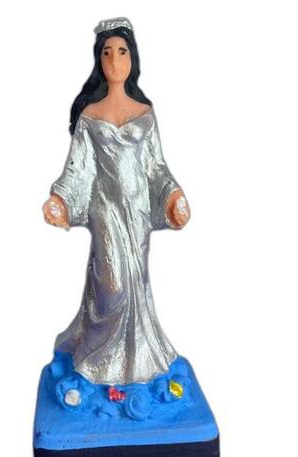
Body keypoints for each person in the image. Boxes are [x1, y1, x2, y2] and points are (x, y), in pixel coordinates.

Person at [42, 17, 190, 386]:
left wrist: (173, 196)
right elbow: (78, 170)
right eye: (107, 53)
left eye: (122, 52)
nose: (114, 60)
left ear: (132, 57)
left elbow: (156, 167)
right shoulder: (90, 117)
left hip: (137, 212)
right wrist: (60, 199)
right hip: (105, 210)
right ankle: (96, 362)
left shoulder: (145, 113)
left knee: (136, 282)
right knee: (112, 284)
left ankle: (135, 365)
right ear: (99, 60)